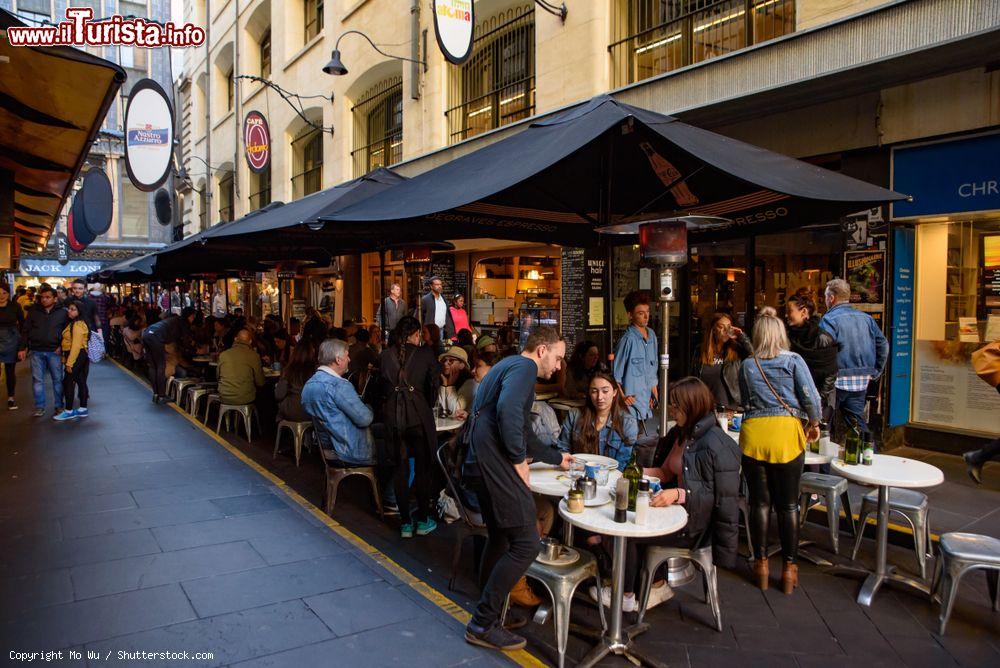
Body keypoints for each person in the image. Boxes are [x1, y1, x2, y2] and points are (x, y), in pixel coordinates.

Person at [462, 326, 570, 652]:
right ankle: (483, 622)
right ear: (542, 351)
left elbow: (522, 429)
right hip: (494, 464)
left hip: (478, 463)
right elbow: (509, 414)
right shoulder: (524, 369)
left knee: (500, 538)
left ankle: (491, 613)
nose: (560, 366)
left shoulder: (507, 366)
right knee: (527, 543)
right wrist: (519, 458)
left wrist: (557, 457)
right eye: (558, 357)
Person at [597, 377, 742, 612]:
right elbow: (665, 472)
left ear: (692, 405)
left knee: (632, 532)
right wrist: (627, 472)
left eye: (676, 405)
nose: (671, 410)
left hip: (696, 526)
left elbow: (722, 498)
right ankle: (653, 583)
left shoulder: (717, 444)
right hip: (674, 513)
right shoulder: (680, 433)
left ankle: (626, 594)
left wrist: (679, 494)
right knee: (624, 519)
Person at [738, 315, 821, 595]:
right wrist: (814, 423)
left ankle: (760, 565)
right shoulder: (794, 360)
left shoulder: (748, 365)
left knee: (759, 503)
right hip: (785, 433)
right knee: (788, 506)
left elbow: (745, 400)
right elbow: (810, 396)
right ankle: (789, 569)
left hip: (754, 434)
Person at [380, 316, 440, 538]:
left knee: (399, 470)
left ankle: (405, 524)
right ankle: (423, 521)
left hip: (394, 419)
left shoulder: (385, 355)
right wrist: (425, 403)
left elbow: (381, 388)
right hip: (418, 417)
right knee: (424, 469)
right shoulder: (425, 354)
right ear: (415, 335)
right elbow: (434, 385)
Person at [819, 278, 888, 434]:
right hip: (861, 381)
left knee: (822, 426)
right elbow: (883, 345)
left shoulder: (829, 320)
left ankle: (823, 456)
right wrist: (876, 371)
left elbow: (823, 351)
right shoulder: (867, 319)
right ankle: (870, 456)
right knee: (858, 425)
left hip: (835, 381)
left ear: (831, 298)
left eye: (825, 297)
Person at [301, 338, 378, 465]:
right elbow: (365, 419)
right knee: (392, 445)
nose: (349, 360)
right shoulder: (339, 386)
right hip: (349, 452)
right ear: (338, 359)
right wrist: (369, 407)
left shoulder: (309, 385)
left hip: (326, 450)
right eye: (347, 356)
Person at [558, 371, 638, 471]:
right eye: (594, 391)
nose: (600, 397)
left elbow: (621, 466)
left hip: (609, 479)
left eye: (605, 391)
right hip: (576, 475)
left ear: (614, 392)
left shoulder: (627, 422)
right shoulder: (574, 415)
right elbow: (563, 450)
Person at [785, 293, 838, 420]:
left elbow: (830, 374)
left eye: (790, 311)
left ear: (803, 312)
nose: (786, 315)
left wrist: (817, 400)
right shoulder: (787, 336)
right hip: (795, 401)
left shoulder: (822, 338)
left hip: (820, 402)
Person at [613, 291, 659, 430]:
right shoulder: (627, 341)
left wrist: (654, 393)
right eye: (640, 313)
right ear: (630, 315)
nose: (646, 316)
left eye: (647, 311)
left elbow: (652, 369)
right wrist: (622, 397)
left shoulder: (652, 336)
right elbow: (615, 375)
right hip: (630, 407)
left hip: (646, 403)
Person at [20, 285, 68, 417]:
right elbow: (25, 330)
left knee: (57, 379)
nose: (44, 300)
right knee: (37, 380)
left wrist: (62, 346)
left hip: (55, 351)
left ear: (55, 299)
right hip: (36, 350)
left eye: (48, 297)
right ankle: (39, 407)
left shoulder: (63, 313)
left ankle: (59, 406)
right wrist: (23, 348)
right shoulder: (34, 312)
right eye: (42, 297)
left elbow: (67, 332)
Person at [691, 312, 752, 411]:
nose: (725, 330)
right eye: (721, 327)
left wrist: (742, 337)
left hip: (731, 408)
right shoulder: (701, 351)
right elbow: (694, 379)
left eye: (728, 327)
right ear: (713, 329)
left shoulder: (736, 350)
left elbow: (755, 358)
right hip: (707, 408)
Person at [142, 308, 196, 403]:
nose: (193, 318)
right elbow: (185, 341)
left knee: (153, 366)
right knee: (160, 365)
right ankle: (162, 396)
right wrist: (193, 349)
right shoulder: (183, 323)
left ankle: (156, 394)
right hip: (156, 336)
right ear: (189, 316)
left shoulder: (174, 320)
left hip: (147, 333)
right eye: (192, 316)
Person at [54, 300, 90, 421]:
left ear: (79, 311)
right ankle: (83, 408)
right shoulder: (75, 323)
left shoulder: (78, 325)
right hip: (79, 355)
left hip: (77, 354)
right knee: (80, 380)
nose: (69, 311)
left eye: (73, 309)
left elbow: (75, 345)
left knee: (68, 382)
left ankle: (69, 411)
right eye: (69, 308)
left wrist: (69, 362)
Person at [217, 329, 265, 406]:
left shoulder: (223, 355)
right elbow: (260, 382)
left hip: (224, 396)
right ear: (250, 342)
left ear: (235, 339)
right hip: (245, 397)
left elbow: (218, 376)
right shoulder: (254, 356)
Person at [275, 339, 316, 423]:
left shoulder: (288, 370)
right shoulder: (317, 371)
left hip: (291, 411)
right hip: (312, 412)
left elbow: (279, 395)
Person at [0, 282, 25, 409]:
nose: (1, 296)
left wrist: (22, 346)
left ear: (8, 293)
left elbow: (22, 324)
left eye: (4, 293)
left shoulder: (15, 306)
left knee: (10, 370)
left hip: (12, 339)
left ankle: (11, 397)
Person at [437, 346, 476, 419]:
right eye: (444, 360)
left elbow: (454, 412)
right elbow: (442, 409)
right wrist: (445, 384)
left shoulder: (469, 383)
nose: (445, 363)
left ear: (462, 365)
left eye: (451, 361)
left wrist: (450, 386)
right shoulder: (445, 379)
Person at [420, 276, 453, 340]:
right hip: (430, 332)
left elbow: (447, 315)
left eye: (440, 284)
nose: (440, 286)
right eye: (437, 285)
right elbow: (421, 316)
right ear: (431, 286)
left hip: (442, 330)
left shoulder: (443, 299)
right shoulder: (425, 299)